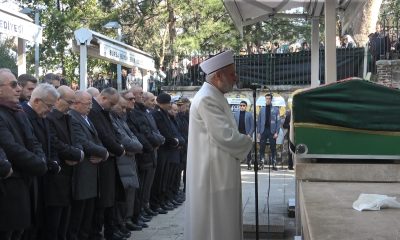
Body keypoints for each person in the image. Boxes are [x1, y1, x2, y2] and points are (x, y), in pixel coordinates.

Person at [184, 51, 253, 240]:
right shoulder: (207, 98)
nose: (235, 78)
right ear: (218, 76)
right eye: (231, 74)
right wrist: (248, 142)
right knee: (215, 223)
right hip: (213, 173)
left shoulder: (214, 95)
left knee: (222, 220)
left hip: (219, 168)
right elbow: (225, 136)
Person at [0, 69, 47, 240]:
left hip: (25, 184)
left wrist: (41, 160)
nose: (18, 89)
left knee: (20, 232)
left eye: (18, 84)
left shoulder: (18, 111)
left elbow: (33, 140)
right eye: (13, 85)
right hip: (9, 189)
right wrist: (39, 164)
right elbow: (11, 148)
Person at [257, 93, 280, 171]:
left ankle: (274, 164)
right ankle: (261, 164)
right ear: (265, 99)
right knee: (262, 148)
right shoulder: (262, 109)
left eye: (269, 98)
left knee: (273, 148)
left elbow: (278, 122)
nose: (268, 100)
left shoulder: (276, 109)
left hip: (272, 131)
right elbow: (259, 121)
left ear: (271, 99)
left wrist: (277, 132)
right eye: (266, 98)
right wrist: (258, 132)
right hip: (263, 131)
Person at [233, 101, 254, 170]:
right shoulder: (236, 114)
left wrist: (249, 134)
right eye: (241, 105)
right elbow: (233, 125)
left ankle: (249, 164)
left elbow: (252, 126)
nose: (242, 107)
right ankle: (237, 164)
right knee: (238, 149)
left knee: (248, 150)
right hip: (238, 134)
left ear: (246, 106)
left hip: (246, 134)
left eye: (243, 105)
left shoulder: (249, 114)